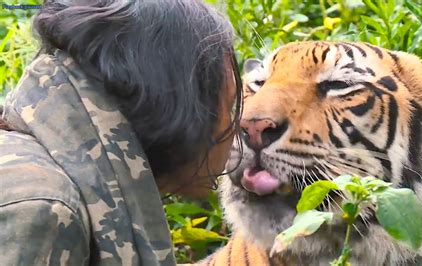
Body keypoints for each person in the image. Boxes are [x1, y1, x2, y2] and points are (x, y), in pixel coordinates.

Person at [0, 0, 242, 265]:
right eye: (229, 105)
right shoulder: (43, 209)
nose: (239, 125)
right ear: (179, 106)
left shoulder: (62, 179)